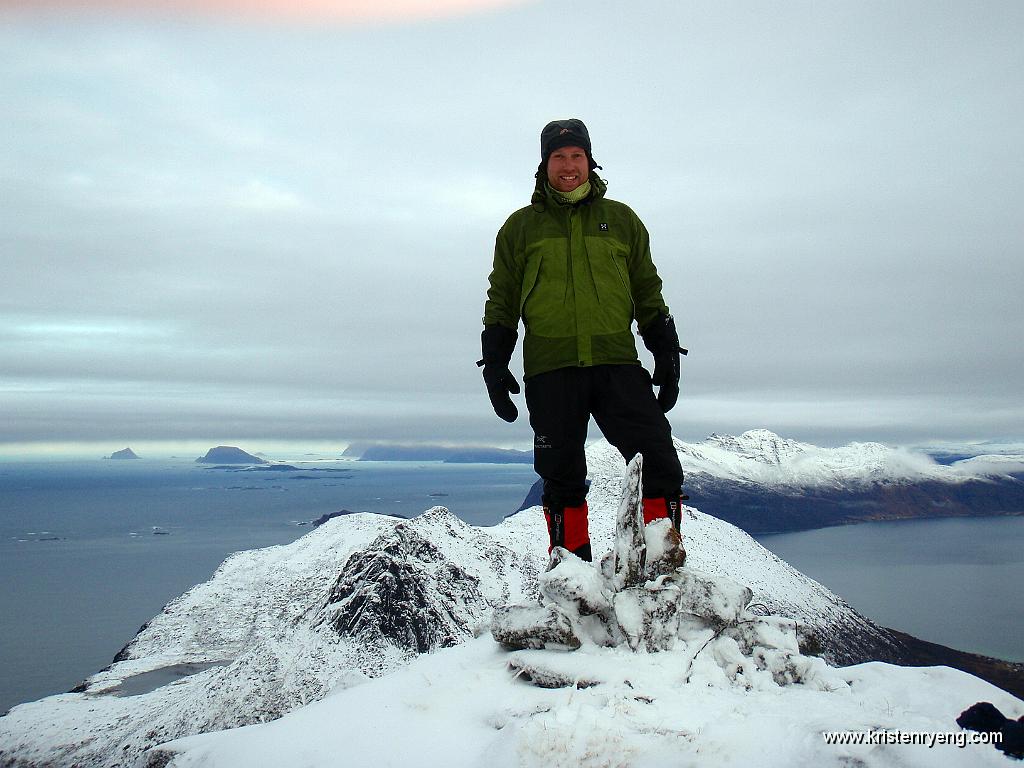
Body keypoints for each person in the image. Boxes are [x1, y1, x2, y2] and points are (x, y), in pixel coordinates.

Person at [479, 118, 686, 562]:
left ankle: (661, 568)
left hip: (616, 362)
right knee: (561, 476)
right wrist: (495, 362)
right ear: (545, 164)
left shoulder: (622, 221)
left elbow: (647, 288)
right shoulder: (520, 228)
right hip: (550, 369)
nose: (569, 166)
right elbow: (503, 297)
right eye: (559, 157)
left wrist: (664, 348)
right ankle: (573, 582)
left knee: (659, 463)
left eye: (577, 156)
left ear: (590, 161)